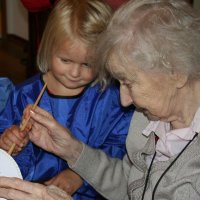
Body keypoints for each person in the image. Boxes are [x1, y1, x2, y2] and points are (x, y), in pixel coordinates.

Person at [2, 0, 200, 199]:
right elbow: (131, 183)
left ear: (177, 74)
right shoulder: (149, 119)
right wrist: (73, 150)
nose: (123, 101)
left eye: (129, 83)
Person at [0, 0, 133, 199]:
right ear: (48, 47)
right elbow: (8, 149)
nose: (74, 72)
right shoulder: (25, 95)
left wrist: (79, 176)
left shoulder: (112, 100)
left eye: (88, 64)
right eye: (66, 60)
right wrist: (10, 141)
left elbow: (120, 152)